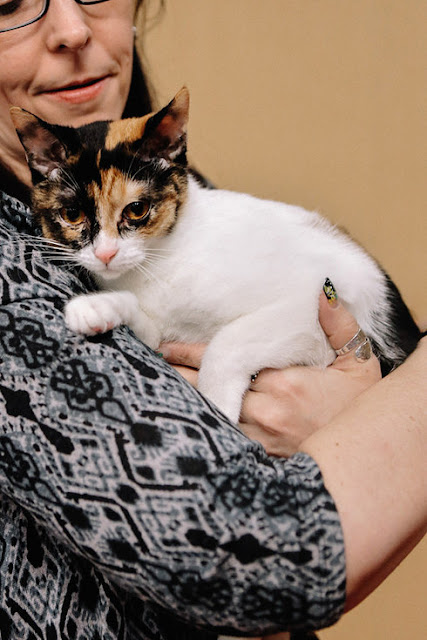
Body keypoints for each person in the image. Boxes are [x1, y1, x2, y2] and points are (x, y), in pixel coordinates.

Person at [0, 2, 425, 640]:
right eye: (9, 3)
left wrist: (355, 403)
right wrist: (379, 422)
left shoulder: (179, 201)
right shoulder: (18, 268)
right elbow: (256, 557)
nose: (72, 30)